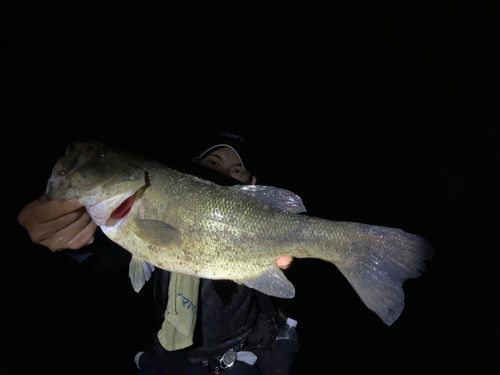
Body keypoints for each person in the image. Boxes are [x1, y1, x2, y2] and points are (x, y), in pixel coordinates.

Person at [18, 132, 299, 374]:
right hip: (170, 357)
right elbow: (106, 255)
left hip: (241, 356)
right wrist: (79, 240)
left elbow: (277, 270)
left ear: (251, 184)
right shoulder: (153, 208)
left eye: (236, 170)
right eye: (212, 163)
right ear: (192, 169)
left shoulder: (263, 221)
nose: (220, 174)